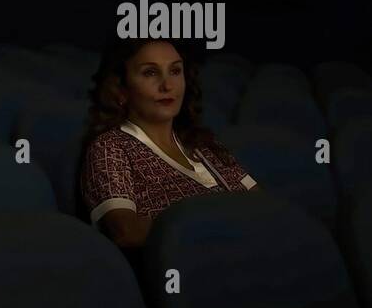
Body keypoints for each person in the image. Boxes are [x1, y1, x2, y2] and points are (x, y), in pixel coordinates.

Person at [81, 37, 256, 248]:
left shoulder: (203, 145)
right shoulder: (110, 147)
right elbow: (126, 231)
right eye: (150, 73)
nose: (167, 85)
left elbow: (261, 205)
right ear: (121, 90)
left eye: (175, 71)